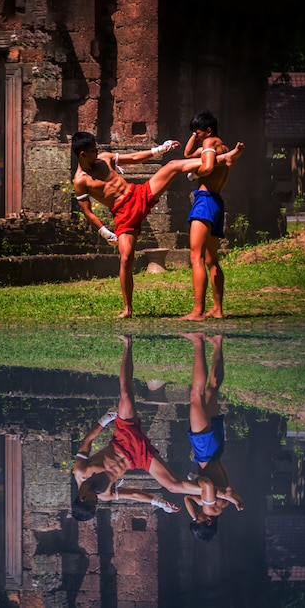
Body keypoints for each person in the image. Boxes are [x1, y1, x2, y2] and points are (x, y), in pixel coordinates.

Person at [71, 131, 244, 319]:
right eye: (93, 150)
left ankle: (221, 160)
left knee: (172, 166)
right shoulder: (80, 180)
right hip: (123, 214)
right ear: (82, 153)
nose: (97, 152)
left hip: (138, 194)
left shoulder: (104, 159)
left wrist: (160, 149)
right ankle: (127, 308)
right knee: (126, 259)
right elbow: (88, 212)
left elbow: (135, 158)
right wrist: (105, 232)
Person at [71, 335, 233, 522]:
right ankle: (214, 492)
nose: (96, 501)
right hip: (139, 458)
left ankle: (128, 344)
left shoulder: (80, 471)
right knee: (172, 485)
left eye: (92, 502)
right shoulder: (105, 494)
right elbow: (133, 495)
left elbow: (87, 441)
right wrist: (160, 503)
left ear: (83, 498)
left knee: (125, 392)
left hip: (123, 438)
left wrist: (105, 420)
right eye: (96, 505)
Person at [181, 110, 245, 321]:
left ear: (208, 131)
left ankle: (198, 311)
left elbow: (207, 166)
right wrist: (194, 134)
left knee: (195, 256)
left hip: (205, 201)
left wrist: (195, 174)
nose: (196, 137)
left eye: (198, 132)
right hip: (216, 202)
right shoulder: (222, 147)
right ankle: (217, 309)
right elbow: (188, 153)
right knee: (211, 259)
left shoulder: (210, 144)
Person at [181, 332, 244, 542]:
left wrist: (195, 513)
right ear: (207, 521)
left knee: (212, 391)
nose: (196, 516)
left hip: (216, 449)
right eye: (197, 520)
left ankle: (217, 343)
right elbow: (205, 486)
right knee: (196, 395)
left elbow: (188, 499)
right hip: (205, 451)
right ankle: (198, 343)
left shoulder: (220, 505)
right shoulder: (209, 505)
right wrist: (194, 477)